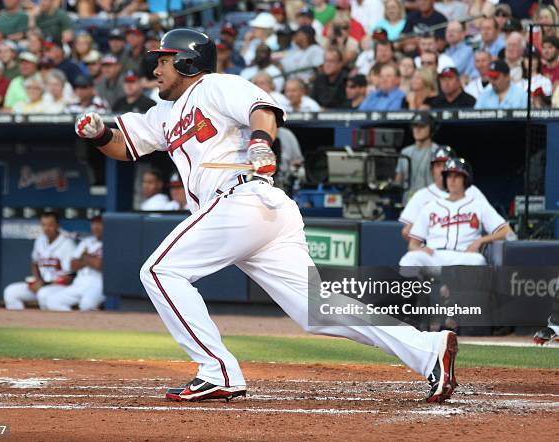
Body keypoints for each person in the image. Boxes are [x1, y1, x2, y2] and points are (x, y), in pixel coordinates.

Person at [75, 29, 459, 404]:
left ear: (188, 61)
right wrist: (97, 135)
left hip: (242, 199)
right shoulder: (164, 113)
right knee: (317, 310)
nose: (156, 69)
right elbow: (125, 147)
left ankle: (217, 371)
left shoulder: (215, 86)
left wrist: (261, 142)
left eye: (164, 61)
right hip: (252, 213)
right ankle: (428, 350)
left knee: (159, 271)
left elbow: (263, 109)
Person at [399, 158, 510, 268]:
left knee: (476, 260)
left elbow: (506, 232)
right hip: (434, 257)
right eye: (449, 176)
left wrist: (480, 241)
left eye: (457, 176)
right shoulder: (430, 207)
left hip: (463, 256)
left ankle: (449, 285)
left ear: (465, 179)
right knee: (409, 259)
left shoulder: (479, 205)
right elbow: (413, 244)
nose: (452, 180)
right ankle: (416, 286)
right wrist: (421, 249)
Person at [399, 146, 487, 240]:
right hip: (432, 249)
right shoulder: (421, 196)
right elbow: (406, 231)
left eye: (446, 164)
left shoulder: (472, 192)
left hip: (466, 249)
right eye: (438, 166)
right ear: (432, 171)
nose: (442, 169)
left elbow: (490, 225)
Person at [3, 211, 76, 310]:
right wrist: (37, 280)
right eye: (44, 225)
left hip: (60, 287)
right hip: (42, 285)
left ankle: (49, 324)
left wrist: (45, 284)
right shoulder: (40, 241)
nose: (47, 228)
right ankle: (20, 323)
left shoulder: (67, 244)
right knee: (11, 292)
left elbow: (70, 276)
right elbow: (35, 264)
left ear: (57, 225)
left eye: (50, 225)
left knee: (43, 294)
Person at [45, 216, 105, 311]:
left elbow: (99, 265)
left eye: (100, 223)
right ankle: (73, 323)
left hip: (98, 284)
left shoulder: (111, 242)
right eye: (93, 223)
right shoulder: (86, 242)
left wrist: (84, 256)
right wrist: (91, 259)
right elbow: (73, 265)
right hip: (79, 283)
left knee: (87, 304)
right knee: (53, 301)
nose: (96, 227)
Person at [394, 112, 439, 198]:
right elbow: (398, 181)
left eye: (422, 126)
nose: (417, 129)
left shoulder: (438, 152)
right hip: (409, 204)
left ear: (431, 129)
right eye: (415, 126)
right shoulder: (405, 152)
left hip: (431, 203)